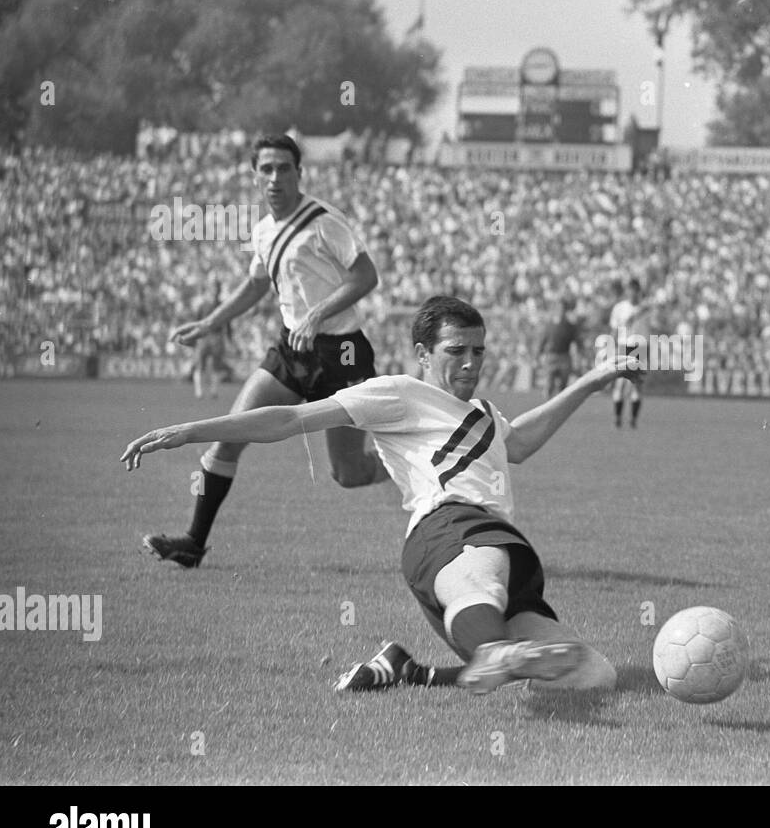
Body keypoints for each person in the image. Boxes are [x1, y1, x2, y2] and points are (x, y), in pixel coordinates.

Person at [122, 295, 632, 695]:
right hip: (449, 533)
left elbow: (517, 442)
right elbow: (293, 418)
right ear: (423, 355)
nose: (471, 363)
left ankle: (414, 672)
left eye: (478, 351)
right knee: (485, 571)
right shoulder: (397, 393)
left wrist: (591, 380)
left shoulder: (484, 413)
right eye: (456, 351)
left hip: (501, 549)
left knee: (592, 674)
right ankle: (493, 648)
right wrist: (193, 430)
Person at [143, 133, 386, 569]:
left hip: (342, 353)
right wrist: (211, 322)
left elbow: (366, 277)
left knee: (347, 474)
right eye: (266, 169)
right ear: (255, 177)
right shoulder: (262, 230)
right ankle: (193, 543)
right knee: (227, 436)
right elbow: (257, 284)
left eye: (284, 168)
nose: (275, 177)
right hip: (291, 350)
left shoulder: (324, 221)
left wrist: (316, 316)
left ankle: (418, 466)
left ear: (299, 174)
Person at [608, 279, 647, 428]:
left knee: (637, 385)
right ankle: (617, 417)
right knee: (619, 383)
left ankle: (633, 419)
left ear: (639, 292)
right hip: (623, 347)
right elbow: (614, 329)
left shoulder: (646, 308)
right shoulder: (620, 308)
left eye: (635, 291)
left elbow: (649, 330)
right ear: (627, 291)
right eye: (630, 290)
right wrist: (610, 347)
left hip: (639, 347)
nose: (632, 293)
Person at [192, 281, 232, 401]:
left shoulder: (222, 305)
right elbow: (196, 323)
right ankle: (199, 391)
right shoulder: (203, 305)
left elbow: (228, 323)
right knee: (200, 365)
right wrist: (194, 338)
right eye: (214, 288)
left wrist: (229, 338)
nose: (215, 291)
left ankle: (214, 391)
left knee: (216, 365)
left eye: (217, 288)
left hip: (217, 337)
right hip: (204, 338)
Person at [536, 296, 583, 398]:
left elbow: (577, 342)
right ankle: (547, 407)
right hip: (552, 356)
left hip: (564, 357)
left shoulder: (570, 326)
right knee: (549, 384)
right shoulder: (549, 325)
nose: (560, 310)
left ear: (565, 310)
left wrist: (578, 356)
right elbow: (543, 340)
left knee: (563, 386)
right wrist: (539, 354)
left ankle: (558, 408)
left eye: (562, 308)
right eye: (558, 308)